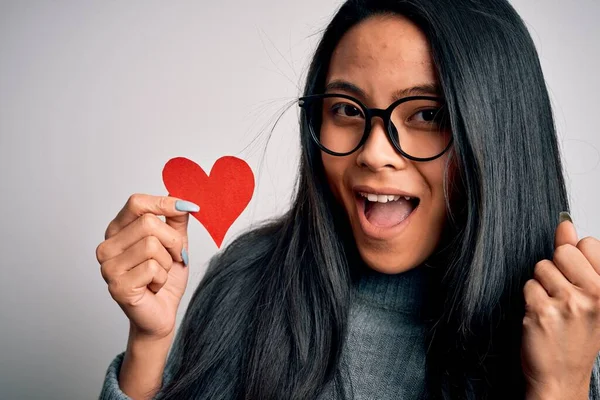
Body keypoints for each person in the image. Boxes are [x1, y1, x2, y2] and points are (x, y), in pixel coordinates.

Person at [97, 0, 600, 399]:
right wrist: (150, 343)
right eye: (346, 109)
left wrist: (559, 388)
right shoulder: (242, 283)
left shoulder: (572, 334)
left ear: (499, 134)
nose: (374, 152)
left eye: (426, 115)